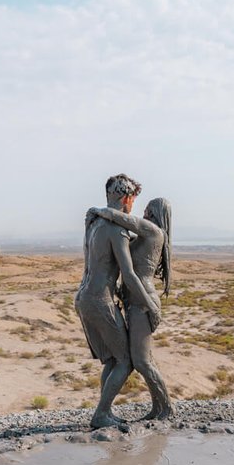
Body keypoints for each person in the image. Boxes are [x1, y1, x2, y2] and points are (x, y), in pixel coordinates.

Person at [76, 174, 157, 429]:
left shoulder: (94, 224)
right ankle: (101, 414)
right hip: (100, 301)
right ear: (127, 198)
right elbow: (130, 274)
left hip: (83, 298)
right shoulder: (116, 229)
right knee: (125, 361)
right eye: (134, 200)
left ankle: (106, 411)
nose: (133, 207)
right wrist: (151, 305)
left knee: (112, 360)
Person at [88, 197, 173, 420]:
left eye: (148, 211)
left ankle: (164, 408)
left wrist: (99, 210)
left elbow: (122, 218)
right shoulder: (145, 236)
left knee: (142, 361)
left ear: (156, 214)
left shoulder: (154, 231)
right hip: (134, 301)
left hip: (141, 302)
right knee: (138, 361)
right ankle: (157, 408)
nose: (144, 214)